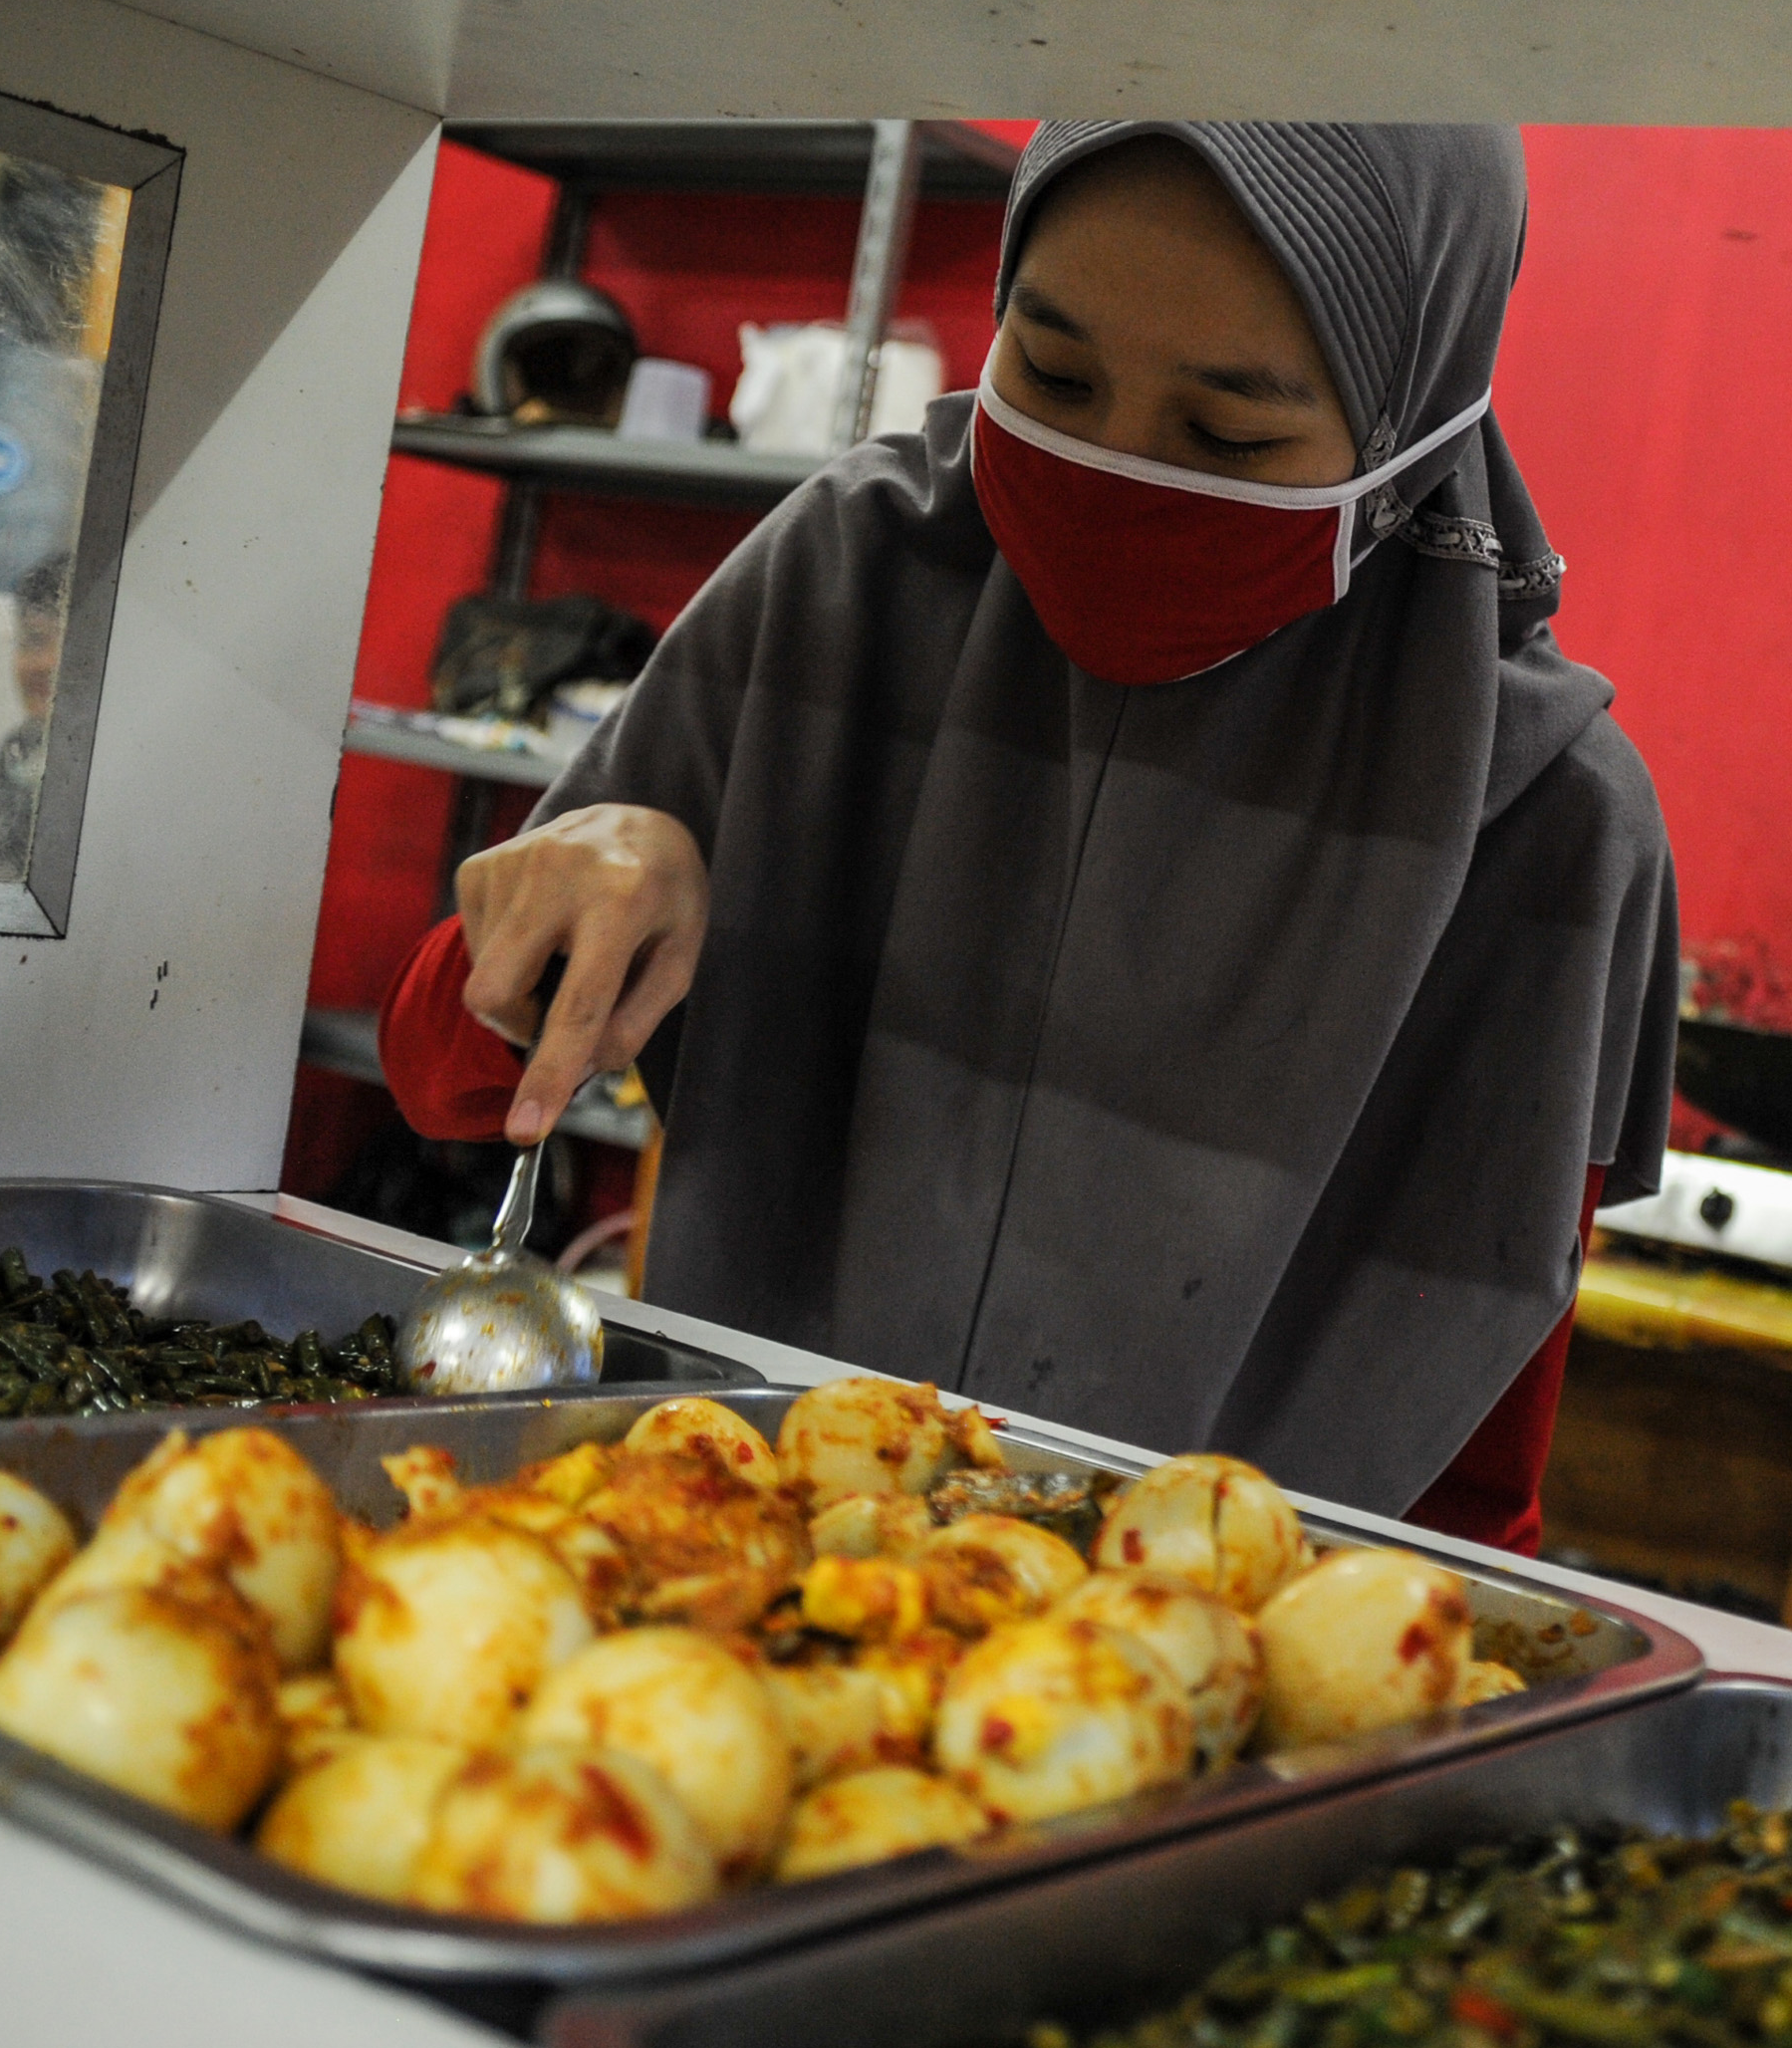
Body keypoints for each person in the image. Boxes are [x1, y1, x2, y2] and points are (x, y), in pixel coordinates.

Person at [377, 124, 1679, 1553]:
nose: (1112, 473)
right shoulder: (842, 588)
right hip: (741, 1556)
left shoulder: (1542, 821)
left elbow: (1477, 1474)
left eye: (1229, 435)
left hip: (1201, 1674)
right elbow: (442, 1076)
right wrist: (556, 921)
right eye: (1052, 374)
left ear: (1409, 429)